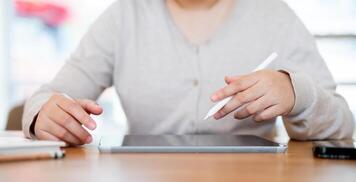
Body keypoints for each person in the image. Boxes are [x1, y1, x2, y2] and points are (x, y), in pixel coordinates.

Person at [22, 0, 354, 145]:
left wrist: (294, 92)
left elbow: (342, 121)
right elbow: (46, 98)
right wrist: (44, 114)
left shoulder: (274, 15)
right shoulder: (124, 16)